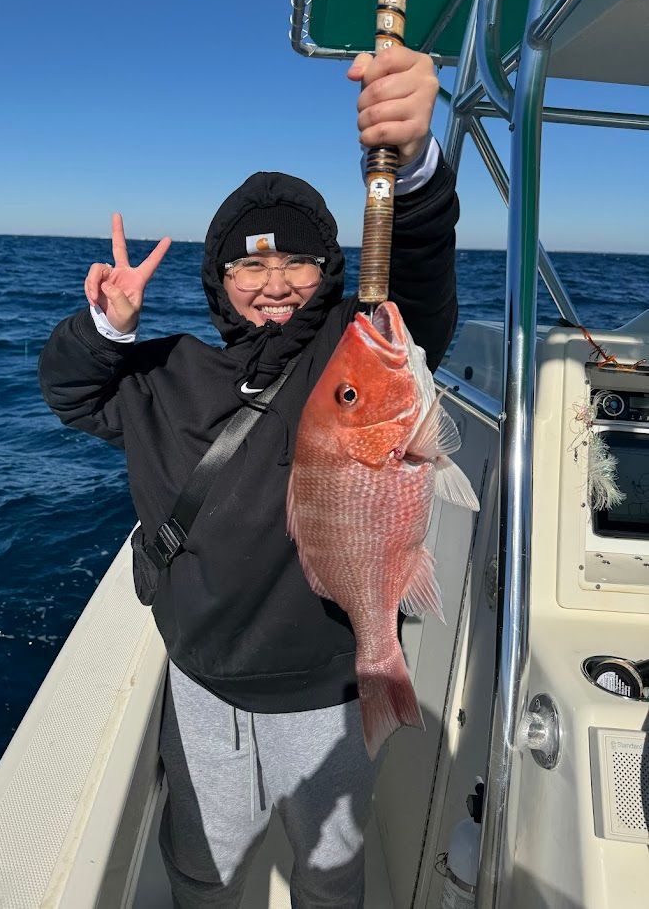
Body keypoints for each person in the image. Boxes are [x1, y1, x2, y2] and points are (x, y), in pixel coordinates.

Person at [38, 46, 458, 908]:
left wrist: (412, 170)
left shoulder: (349, 349)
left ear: (327, 270)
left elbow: (416, 288)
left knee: (330, 875)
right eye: (248, 266)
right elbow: (70, 393)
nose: (273, 285)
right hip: (203, 686)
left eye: (297, 264)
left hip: (332, 687)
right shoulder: (162, 373)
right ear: (219, 280)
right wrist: (105, 327)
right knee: (205, 872)